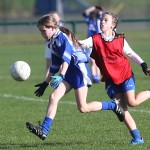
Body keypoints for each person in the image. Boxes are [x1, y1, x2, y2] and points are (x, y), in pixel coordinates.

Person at [26, 14, 125, 141]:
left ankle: (113, 105)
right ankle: (44, 130)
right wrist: (45, 83)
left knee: (83, 108)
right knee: (53, 97)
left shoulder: (62, 37)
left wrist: (61, 75)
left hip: (79, 72)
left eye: (43, 30)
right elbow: (55, 65)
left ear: (51, 27)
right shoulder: (53, 41)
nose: (42, 34)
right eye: (40, 31)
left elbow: (66, 59)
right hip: (69, 73)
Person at [80, 12, 150, 145]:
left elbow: (131, 53)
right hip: (111, 79)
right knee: (121, 109)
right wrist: (70, 41)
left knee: (132, 102)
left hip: (125, 75)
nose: (102, 22)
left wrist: (143, 65)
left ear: (113, 25)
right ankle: (137, 138)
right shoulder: (95, 39)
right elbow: (81, 44)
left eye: (106, 20)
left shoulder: (120, 39)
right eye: (101, 19)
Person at [82, 5, 104, 83]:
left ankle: (97, 76)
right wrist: (94, 7)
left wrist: (98, 9)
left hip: (98, 41)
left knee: (97, 60)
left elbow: (103, 13)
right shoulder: (89, 19)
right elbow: (85, 12)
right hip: (90, 41)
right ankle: (94, 76)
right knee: (92, 60)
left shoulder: (100, 19)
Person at [45, 11, 63, 78]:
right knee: (49, 65)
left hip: (59, 46)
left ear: (59, 18)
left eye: (55, 17)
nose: (54, 18)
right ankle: (46, 81)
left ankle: (61, 80)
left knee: (61, 64)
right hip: (49, 45)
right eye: (52, 17)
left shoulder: (62, 26)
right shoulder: (48, 26)